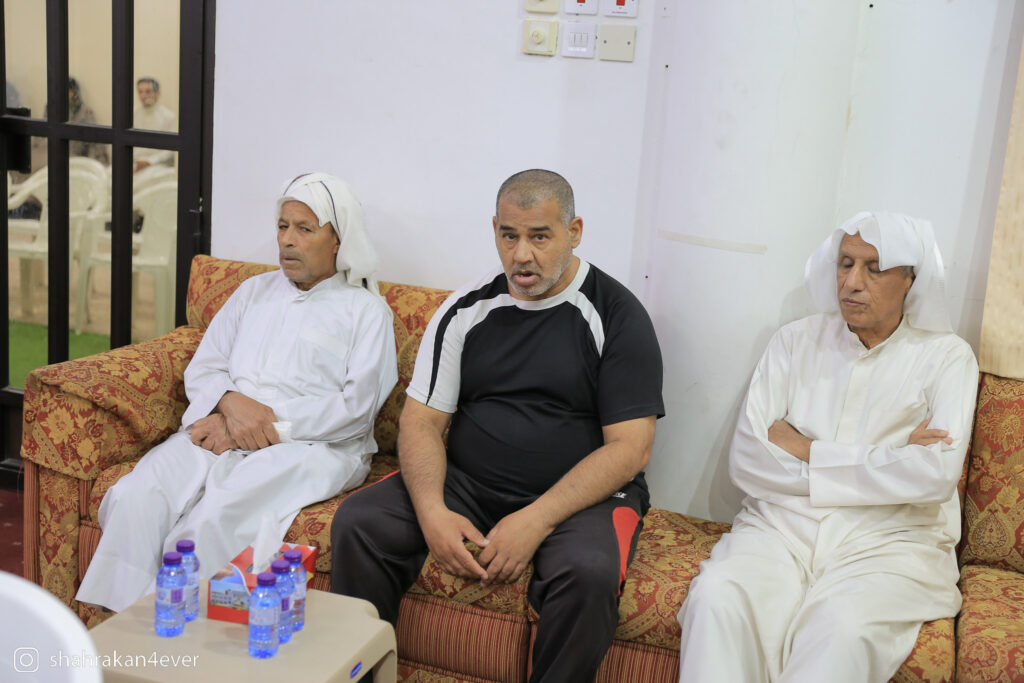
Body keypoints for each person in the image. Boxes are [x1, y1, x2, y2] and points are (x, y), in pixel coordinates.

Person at [330, 169, 664, 682]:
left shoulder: (617, 315)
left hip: (583, 499)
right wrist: (433, 513)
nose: (521, 255)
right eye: (509, 236)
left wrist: (537, 519)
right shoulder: (466, 309)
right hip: (470, 483)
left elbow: (630, 449)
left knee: (589, 573)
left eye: (539, 237)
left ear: (574, 232)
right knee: (360, 522)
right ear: (494, 230)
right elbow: (421, 424)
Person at [676, 211, 979, 683]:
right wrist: (893, 458)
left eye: (874, 268)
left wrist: (805, 448)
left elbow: (933, 476)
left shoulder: (947, 357)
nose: (852, 282)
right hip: (783, 529)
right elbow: (750, 461)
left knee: (842, 628)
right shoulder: (794, 342)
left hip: (889, 543)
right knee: (719, 597)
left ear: (910, 278)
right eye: (845, 263)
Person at [76, 173, 398, 613]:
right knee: (138, 495)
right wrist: (231, 406)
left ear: (338, 240)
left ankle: (177, 633)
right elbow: (205, 367)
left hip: (312, 447)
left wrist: (262, 426)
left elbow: (355, 411)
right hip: (221, 422)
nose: (287, 240)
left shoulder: (366, 312)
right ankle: (125, 628)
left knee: (214, 518)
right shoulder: (253, 292)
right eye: (283, 226)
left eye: (304, 229)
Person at [133, 76, 176, 172]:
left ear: (157, 93)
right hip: (134, 163)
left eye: (148, 92)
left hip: (156, 166)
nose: (143, 96)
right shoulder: (132, 113)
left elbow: (171, 149)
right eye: (140, 92)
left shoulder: (168, 116)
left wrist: (149, 162)